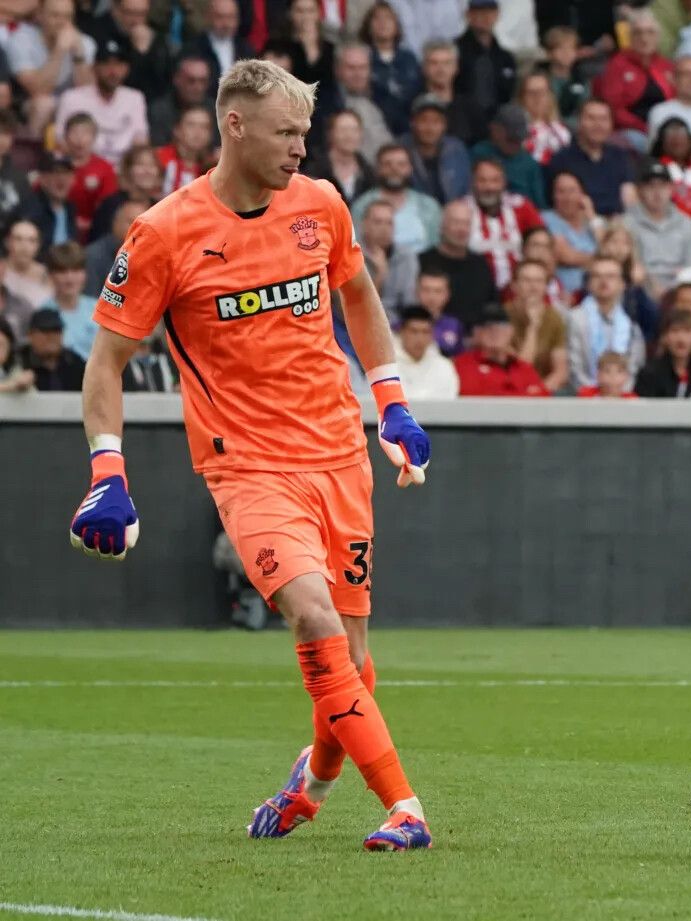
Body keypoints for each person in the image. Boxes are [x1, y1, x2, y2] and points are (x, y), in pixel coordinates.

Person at [71, 59, 434, 851]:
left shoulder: (321, 205)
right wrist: (108, 471)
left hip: (340, 451)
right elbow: (106, 361)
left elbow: (360, 296)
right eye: (286, 133)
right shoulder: (164, 232)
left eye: (306, 133)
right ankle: (405, 805)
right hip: (249, 467)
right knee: (310, 615)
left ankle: (308, 790)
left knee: (355, 660)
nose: (302, 149)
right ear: (234, 126)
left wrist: (393, 402)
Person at [54, 36, 148, 168]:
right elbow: (60, 141)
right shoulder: (72, 98)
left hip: (123, 173)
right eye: (106, 64)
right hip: (82, 169)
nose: (113, 71)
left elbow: (140, 142)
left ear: (127, 69)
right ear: (95, 67)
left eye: (119, 64)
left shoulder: (135, 98)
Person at [9, 0, 96, 137]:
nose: (62, 22)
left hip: (70, 101)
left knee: (84, 103)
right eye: (55, 15)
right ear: (40, 15)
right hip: (29, 104)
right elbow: (38, 90)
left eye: (67, 17)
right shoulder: (20, 40)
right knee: (45, 104)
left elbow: (87, 91)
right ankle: (39, 157)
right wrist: (59, 50)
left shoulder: (85, 43)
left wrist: (78, 53)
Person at [623, 159, 691, 299]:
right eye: (651, 186)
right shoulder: (627, 223)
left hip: (679, 291)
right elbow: (633, 266)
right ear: (640, 190)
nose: (657, 192)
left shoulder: (687, 223)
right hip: (642, 290)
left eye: (663, 186)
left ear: (671, 189)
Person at [545, 98, 635, 218]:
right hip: (579, 224)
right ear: (579, 122)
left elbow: (629, 197)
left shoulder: (619, 156)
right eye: (591, 118)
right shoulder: (561, 160)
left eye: (603, 119)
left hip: (617, 224)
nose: (598, 125)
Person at [568, 255, 646, 389]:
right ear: (588, 283)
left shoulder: (630, 324)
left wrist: (617, 393)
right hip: (583, 398)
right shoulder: (574, 318)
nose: (603, 281)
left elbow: (634, 368)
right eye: (597, 276)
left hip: (621, 399)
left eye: (610, 276)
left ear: (622, 284)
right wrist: (594, 395)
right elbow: (573, 367)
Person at [593, 9, 673, 140]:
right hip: (631, 130)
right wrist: (645, 128)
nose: (644, 38)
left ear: (658, 37)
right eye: (638, 33)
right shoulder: (617, 65)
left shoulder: (667, 66)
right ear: (630, 38)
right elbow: (614, 108)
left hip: (665, 130)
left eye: (650, 32)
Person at [419, 198, 498, 329]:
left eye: (466, 224)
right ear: (442, 225)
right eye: (456, 222)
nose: (461, 229)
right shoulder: (422, 261)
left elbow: (491, 307)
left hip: (474, 342)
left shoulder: (481, 264)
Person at [467, 157, 543, 291]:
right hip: (474, 289)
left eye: (495, 180)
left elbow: (543, 244)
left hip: (520, 291)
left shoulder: (522, 206)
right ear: (472, 182)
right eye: (482, 180)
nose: (489, 187)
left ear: (504, 183)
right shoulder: (461, 210)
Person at [349, 143, 442, 253]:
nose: (394, 169)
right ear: (378, 169)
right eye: (387, 164)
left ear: (410, 169)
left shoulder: (429, 206)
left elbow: (435, 247)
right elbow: (356, 247)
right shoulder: (361, 206)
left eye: (401, 164)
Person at [454, 300, 549, 396]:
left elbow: (543, 397)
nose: (495, 330)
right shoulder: (464, 365)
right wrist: (523, 394)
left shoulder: (523, 367)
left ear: (511, 331)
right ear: (476, 332)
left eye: (502, 324)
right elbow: (474, 399)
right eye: (487, 325)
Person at [318, 43, 391, 164]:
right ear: (337, 70)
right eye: (351, 68)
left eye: (363, 68)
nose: (358, 74)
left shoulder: (385, 98)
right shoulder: (324, 104)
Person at [360, 1, 422, 138]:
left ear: (397, 25)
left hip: (409, 127)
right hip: (373, 126)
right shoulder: (362, 58)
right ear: (368, 25)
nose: (383, 23)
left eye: (388, 18)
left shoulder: (409, 59)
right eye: (377, 18)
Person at [89, 0, 170, 100]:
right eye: (130, 13)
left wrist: (146, 53)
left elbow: (160, 84)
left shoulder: (154, 37)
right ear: (115, 10)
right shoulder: (95, 32)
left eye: (142, 14)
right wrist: (139, 55)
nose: (136, 20)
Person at [508, 258, 568, 393]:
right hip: (510, 388)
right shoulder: (503, 316)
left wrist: (540, 391)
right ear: (514, 285)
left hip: (542, 389)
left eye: (539, 281)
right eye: (527, 280)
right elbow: (523, 367)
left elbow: (560, 371)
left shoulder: (554, 317)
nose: (533, 287)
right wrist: (532, 328)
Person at [635, 308, 691, 398]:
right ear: (664, 337)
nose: (681, 339)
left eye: (687, 331)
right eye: (675, 331)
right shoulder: (649, 374)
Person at [472, 103, 545, 209]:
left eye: (519, 140)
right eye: (511, 139)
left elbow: (540, 207)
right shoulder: (478, 154)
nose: (515, 145)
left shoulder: (530, 164)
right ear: (495, 130)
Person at [403, 94, 471, 205]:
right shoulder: (401, 149)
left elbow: (464, 190)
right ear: (413, 123)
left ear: (444, 125)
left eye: (436, 122)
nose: (430, 128)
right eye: (423, 121)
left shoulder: (456, 149)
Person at [597, 223, 660, 343]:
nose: (619, 247)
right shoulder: (593, 274)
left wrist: (637, 286)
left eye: (625, 243)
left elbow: (652, 318)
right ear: (604, 245)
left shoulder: (636, 283)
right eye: (614, 241)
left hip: (631, 338)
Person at [61, 113, 119, 241]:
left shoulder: (105, 169)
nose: (79, 139)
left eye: (85, 133)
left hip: (95, 232)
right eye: (74, 133)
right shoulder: (55, 167)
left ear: (94, 137)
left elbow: (107, 206)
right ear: (65, 137)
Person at [455, 0, 517, 119]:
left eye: (490, 12)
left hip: (499, 124)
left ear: (497, 15)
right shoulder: (455, 52)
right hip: (463, 122)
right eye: (480, 12)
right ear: (469, 15)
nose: (486, 17)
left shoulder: (505, 58)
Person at [420, 39, 487, 147]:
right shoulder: (412, 106)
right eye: (434, 63)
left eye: (446, 63)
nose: (441, 69)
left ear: (456, 68)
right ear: (424, 68)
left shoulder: (471, 108)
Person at [357, 198, 418, 315]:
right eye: (378, 222)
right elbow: (360, 308)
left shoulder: (407, 257)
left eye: (389, 223)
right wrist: (380, 275)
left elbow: (409, 303)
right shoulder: (352, 256)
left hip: (399, 327)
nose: (384, 229)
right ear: (364, 225)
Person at [540, 169, 597, 294]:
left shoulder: (592, 222)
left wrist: (592, 217)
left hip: (596, 292)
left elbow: (609, 248)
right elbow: (565, 256)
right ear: (553, 195)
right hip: (566, 293)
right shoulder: (546, 219)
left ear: (583, 195)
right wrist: (600, 259)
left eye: (572, 191)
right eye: (561, 191)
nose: (567, 197)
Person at [88, 144, 160, 243]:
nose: (147, 170)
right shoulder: (111, 205)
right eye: (140, 164)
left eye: (152, 165)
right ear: (128, 171)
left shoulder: (160, 208)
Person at [304, 110, 376, 206]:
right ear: (330, 134)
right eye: (343, 130)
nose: (349, 136)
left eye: (354, 130)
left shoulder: (369, 173)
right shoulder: (314, 170)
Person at [650, 116, 691, 222]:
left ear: (690, 141)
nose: (677, 138)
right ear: (662, 143)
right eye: (670, 135)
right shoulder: (655, 169)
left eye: (682, 134)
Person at [42, 240, 97, 359]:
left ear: (85, 274)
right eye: (62, 271)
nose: (69, 278)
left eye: (76, 270)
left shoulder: (99, 309)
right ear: (51, 275)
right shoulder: (43, 314)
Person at [393, 305, 459, 400]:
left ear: (432, 334)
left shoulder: (444, 366)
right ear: (402, 332)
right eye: (414, 331)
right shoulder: (387, 367)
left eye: (425, 332)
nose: (420, 339)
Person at [148, 55, 215, 148]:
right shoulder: (160, 110)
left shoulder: (215, 109)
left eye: (203, 81)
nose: (198, 87)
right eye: (191, 81)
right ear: (177, 79)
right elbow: (158, 147)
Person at [191, 0, 254, 98]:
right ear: (209, 17)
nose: (226, 23)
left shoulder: (246, 49)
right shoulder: (195, 47)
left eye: (230, 17)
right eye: (220, 17)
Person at [86, 199, 145, 300]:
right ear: (115, 223)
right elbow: (90, 300)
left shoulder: (150, 254)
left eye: (143, 223)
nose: (137, 228)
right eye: (131, 221)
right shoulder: (94, 255)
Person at [22, 154, 77, 258]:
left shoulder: (70, 208)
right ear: (42, 178)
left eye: (66, 173)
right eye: (54, 172)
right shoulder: (29, 211)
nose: (61, 179)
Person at [19, 306, 85, 390]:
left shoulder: (74, 361)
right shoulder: (19, 361)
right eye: (45, 330)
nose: (51, 336)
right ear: (30, 335)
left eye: (56, 330)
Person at [534, 26, 590, 125]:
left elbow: (585, 110)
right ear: (549, 53)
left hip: (576, 128)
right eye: (561, 49)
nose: (566, 53)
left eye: (571, 49)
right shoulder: (539, 79)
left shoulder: (581, 80)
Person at [156, 105, 213, 196]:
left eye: (204, 127)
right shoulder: (159, 158)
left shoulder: (212, 167)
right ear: (177, 130)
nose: (198, 132)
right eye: (191, 125)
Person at [408, 267, 465, 357]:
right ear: (416, 292)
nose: (431, 297)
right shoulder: (402, 324)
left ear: (447, 295)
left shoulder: (454, 325)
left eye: (438, 291)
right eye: (426, 290)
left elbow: (459, 358)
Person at [517, 72, 570, 167]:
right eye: (531, 93)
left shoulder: (562, 131)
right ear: (522, 97)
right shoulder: (515, 130)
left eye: (542, 92)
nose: (537, 98)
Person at [4, 219, 54, 307]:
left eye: (32, 240)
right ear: (8, 242)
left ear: (38, 245)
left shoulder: (48, 275)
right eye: (18, 239)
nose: (25, 246)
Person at [0, 315, 35, 393]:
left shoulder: (13, 370)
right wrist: (12, 386)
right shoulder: (13, 383)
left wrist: (25, 382)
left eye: (1, 345)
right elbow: (15, 385)